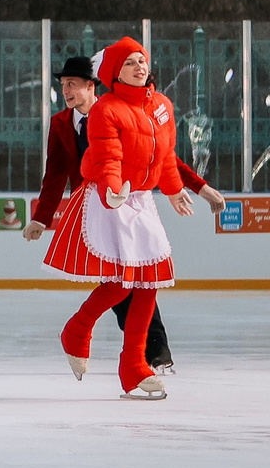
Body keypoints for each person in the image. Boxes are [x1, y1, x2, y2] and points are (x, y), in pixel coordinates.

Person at [25, 52, 223, 374]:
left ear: (92, 87)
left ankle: (152, 351)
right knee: (122, 284)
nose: (67, 92)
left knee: (143, 278)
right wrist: (40, 218)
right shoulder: (61, 124)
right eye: (63, 86)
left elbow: (164, 157)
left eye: (72, 84)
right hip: (98, 211)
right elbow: (56, 173)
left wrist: (199, 187)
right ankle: (134, 352)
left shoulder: (120, 110)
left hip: (130, 204)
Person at [39, 37, 188, 399]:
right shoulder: (107, 108)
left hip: (141, 201)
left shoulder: (161, 106)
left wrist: (173, 188)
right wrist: (110, 187)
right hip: (111, 199)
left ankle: (134, 366)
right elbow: (106, 155)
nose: (140, 67)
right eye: (129, 63)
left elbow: (165, 155)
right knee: (124, 282)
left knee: (149, 282)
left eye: (142, 61)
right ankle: (78, 329)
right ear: (114, 73)